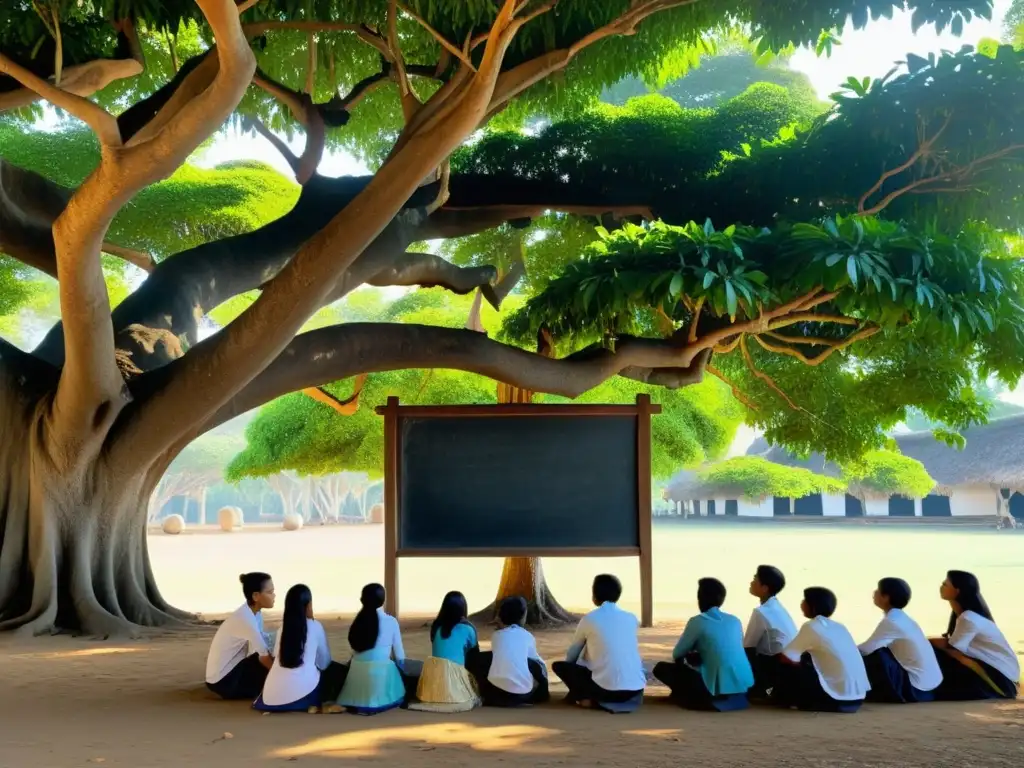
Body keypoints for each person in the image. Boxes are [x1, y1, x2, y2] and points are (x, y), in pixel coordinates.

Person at [652, 578, 754, 711]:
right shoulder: (735, 621)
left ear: (700, 598)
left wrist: (693, 652)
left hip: (712, 688)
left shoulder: (698, 621)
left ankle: (688, 696)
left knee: (661, 668)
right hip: (742, 685)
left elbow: (677, 653)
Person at [551, 574, 647, 713]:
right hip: (634, 690)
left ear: (594, 595)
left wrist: (572, 669)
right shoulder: (631, 618)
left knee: (560, 667)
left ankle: (589, 699)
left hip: (605, 690)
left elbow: (573, 653)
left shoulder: (589, 619)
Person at [772, 587, 870, 713]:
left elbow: (787, 657)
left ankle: (779, 697)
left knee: (782, 663)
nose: (801, 604)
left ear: (812, 605)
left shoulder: (811, 626)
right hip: (858, 697)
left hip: (836, 698)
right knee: (808, 658)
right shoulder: (840, 627)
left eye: (804, 600)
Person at [253, 584, 349, 712]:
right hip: (302, 697)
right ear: (308, 605)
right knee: (336, 670)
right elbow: (324, 663)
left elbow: (276, 655)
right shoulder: (315, 626)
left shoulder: (282, 629)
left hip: (269, 699)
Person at [930, 570, 1019, 700]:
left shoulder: (969, 618)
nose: (941, 586)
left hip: (1000, 680)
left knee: (939, 653)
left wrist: (924, 641)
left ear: (957, 591)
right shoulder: (964, 616)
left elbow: (953, 647)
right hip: (999, 676)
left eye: (945, 584)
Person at [858, 577, 942, 703]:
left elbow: (865, 649)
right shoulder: (903, 618)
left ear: (886, 597)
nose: (874, 593)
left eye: (877, 590)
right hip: (930, 687)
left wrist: (841, 651)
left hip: (916, 689)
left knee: (874, 656)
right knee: (881, 652)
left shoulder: (892, 621)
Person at [335, 583, 409, 714]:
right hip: (380, 673)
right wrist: (402, 672)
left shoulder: (358, 621)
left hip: (356, 673)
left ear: (362, 599)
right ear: (383, 600)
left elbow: (354, 650)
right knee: (394, 670)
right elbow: (399, 655)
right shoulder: (391, 621)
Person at [408, 591, 482, 713]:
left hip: (433, 679)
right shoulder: (468, 628)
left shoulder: (436, 626)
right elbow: (474, 654)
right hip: (455, 679)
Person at [205, 572, 275, 700]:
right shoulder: (245, 619)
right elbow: (263, 657)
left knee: (274, 648)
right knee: (269, 658)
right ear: (256, 596)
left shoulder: (255, 613)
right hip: (223, 682)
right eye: (270, 592)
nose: (274, 596)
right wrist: (281, 676)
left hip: (229, 675)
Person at [469, 596, 549, 707]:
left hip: (495, 694)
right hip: (523, 695)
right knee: (536, 664)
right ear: (523, 617)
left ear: (500, 616)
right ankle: (543, 695)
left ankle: (481, 692)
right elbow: (536, 663)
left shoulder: (496, 636)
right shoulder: (528, 636)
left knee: (484, 658)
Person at [743, 565, 797, 697]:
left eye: (755, 579)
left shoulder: (761, 612)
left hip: (774, 666)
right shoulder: (778, 607)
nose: (751, 582)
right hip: (789, 664)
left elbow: (748, 646)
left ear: (764, 588)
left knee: (742, 653)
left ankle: (756, 688)